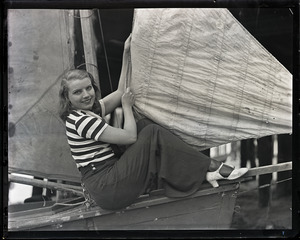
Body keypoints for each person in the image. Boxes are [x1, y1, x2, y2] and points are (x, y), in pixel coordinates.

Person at [58, 35, 248, 211]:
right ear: (67, 98)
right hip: (108, 187)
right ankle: (212, 166)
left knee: (145, 126)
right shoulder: (81, 121)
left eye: (88, 88)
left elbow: (120, 91)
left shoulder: (88, 111)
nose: (86, 95)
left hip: (110, 180)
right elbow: (130, 137)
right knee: (150, 133)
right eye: (77, 92)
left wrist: (126, 53)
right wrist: (126, 107)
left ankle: (195, 173)